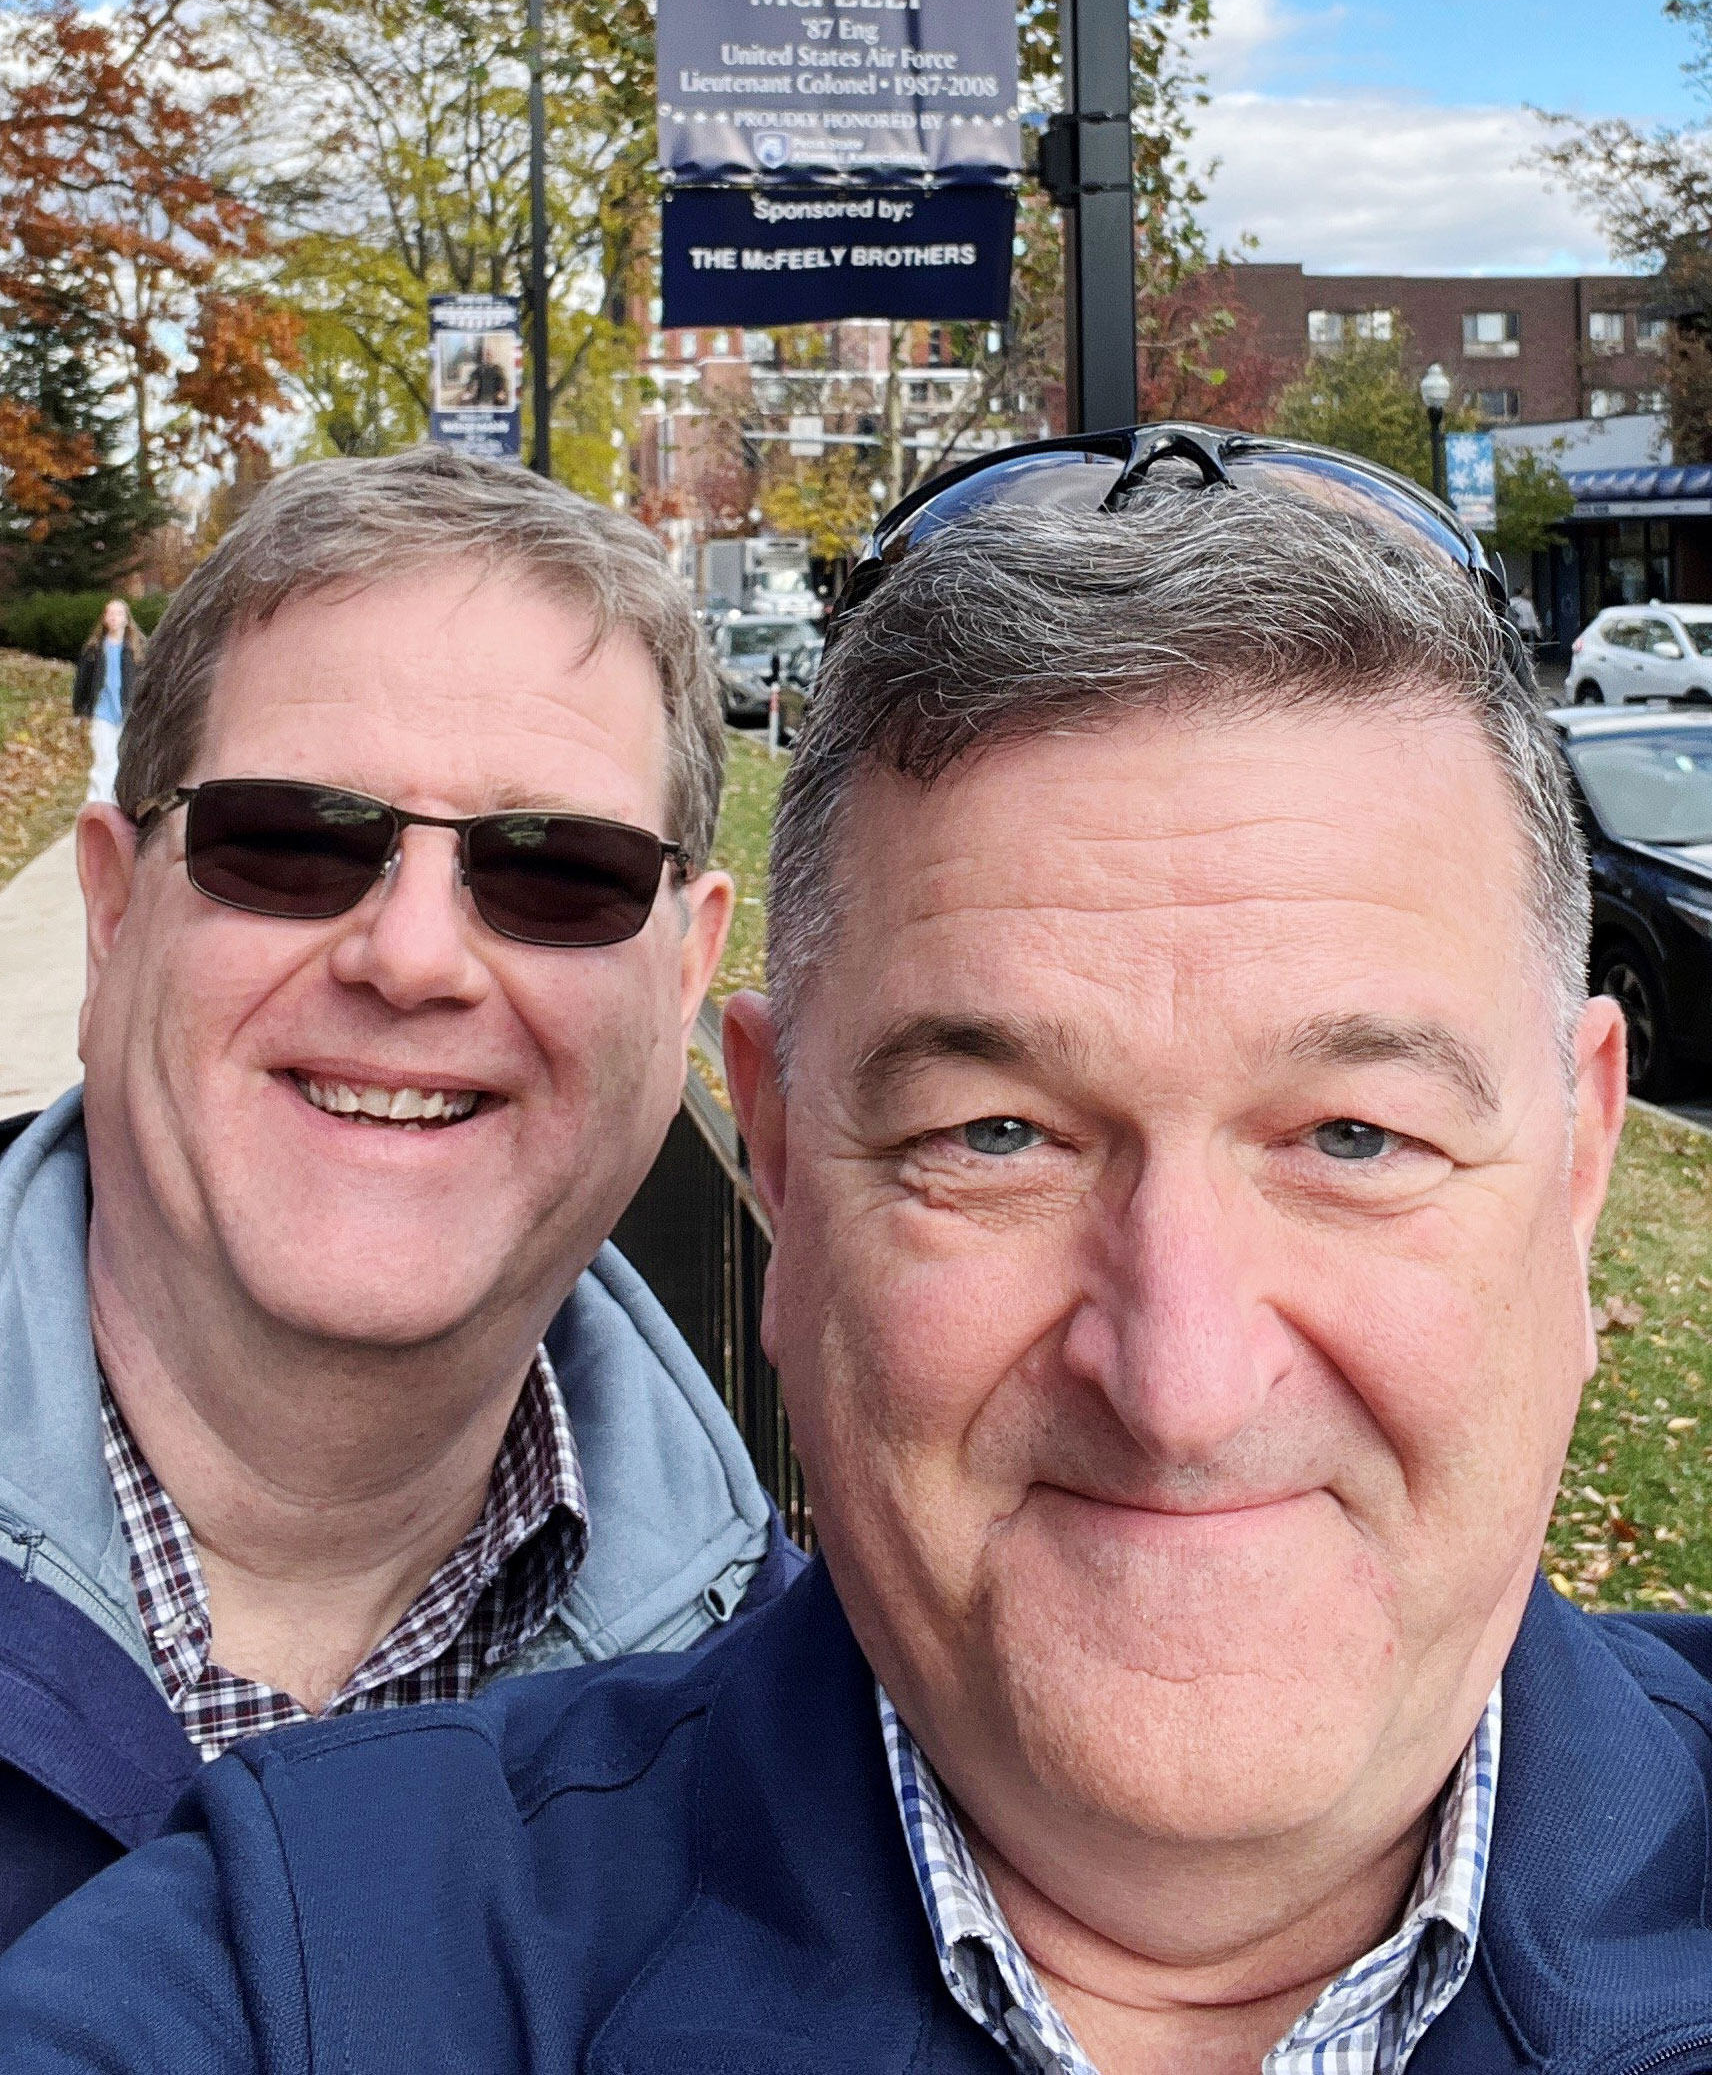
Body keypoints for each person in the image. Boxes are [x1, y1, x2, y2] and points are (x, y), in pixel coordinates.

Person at [8, 431, 1712, 2075]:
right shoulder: (287, 1935)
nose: (1183, 1381)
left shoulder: (674, 1586)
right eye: (996, 1132)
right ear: (780, 1165)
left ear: (1580, 1165)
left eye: (1353, 1134)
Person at [0, 444, 793, 1956]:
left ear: (685, 974)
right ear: (113, 910)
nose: (413, 953)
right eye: (292, 840)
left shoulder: (840, 1732)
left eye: (558, 869)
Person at [71, 597, 142, 804]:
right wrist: (80, 711)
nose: (114, 618)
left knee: (123, 760)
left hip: (127, 713)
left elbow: (144, 682)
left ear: (127, 620)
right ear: (104, 619)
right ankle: (98, 801)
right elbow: (81, 682)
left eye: (119, 614)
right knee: (103, 759)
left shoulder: (135, 652)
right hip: (102, 712)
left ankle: (118, 800)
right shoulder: (94, 651)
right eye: (110, 613)